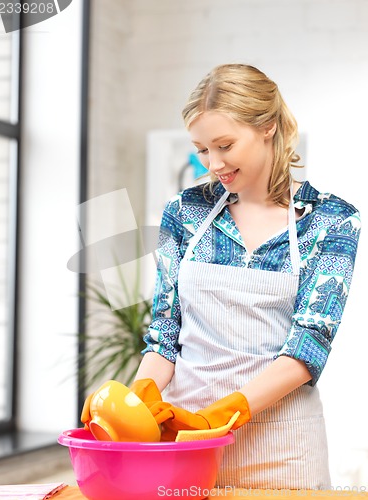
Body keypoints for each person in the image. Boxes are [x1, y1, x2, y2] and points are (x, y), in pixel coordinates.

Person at [86, 64, 361, 490]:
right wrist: (139, 397)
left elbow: (310, 343)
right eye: (201, 149)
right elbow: (165, 330)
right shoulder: (187, 212)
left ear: (267, 127)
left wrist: (221, 415)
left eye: (225, 145)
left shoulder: (331, 221)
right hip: (183, 445)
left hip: (281, 449)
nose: (214, 164)